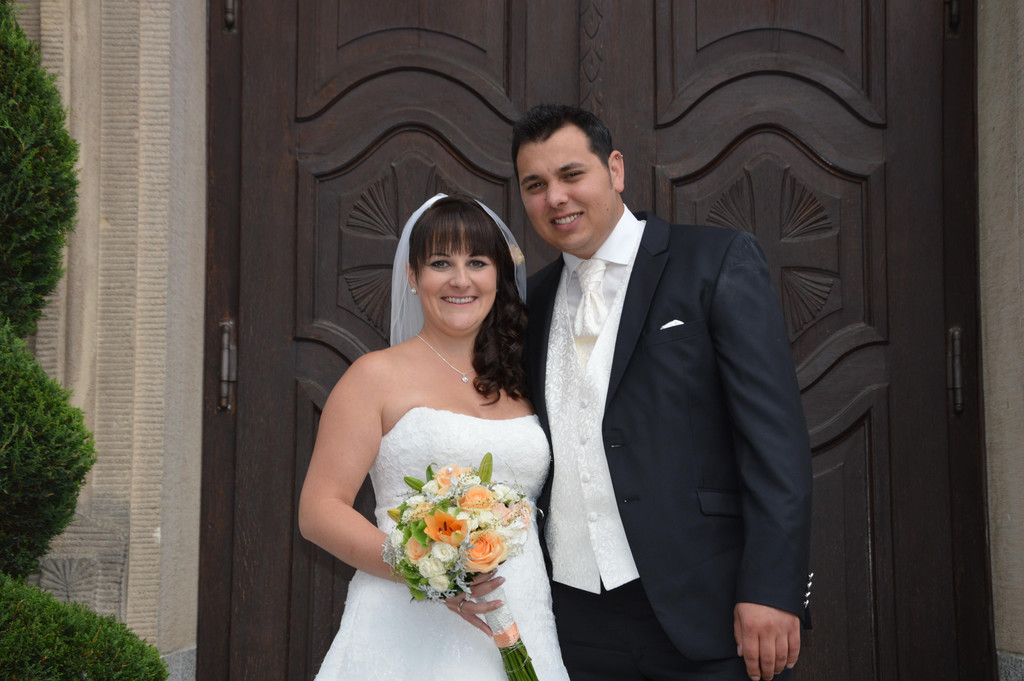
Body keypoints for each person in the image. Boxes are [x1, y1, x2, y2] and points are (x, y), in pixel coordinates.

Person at [513, 104, 813, 681]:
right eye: (535, 185)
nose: (555, 198)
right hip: (573, 617)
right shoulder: (531, 300)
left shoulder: (715, 261)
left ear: (615, 169)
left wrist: (773, 588)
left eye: (572, 174)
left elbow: (775, 443)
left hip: (712, 609)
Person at [298, 194, 571, 681]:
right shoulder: (374, 377)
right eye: (441, 263)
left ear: (499, 276)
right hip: (405, 622)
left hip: (522, 612)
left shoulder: (525, 379)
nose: (460, 280)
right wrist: (429, 573)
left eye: (477, 262)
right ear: (412, 275)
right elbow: (319, 511)